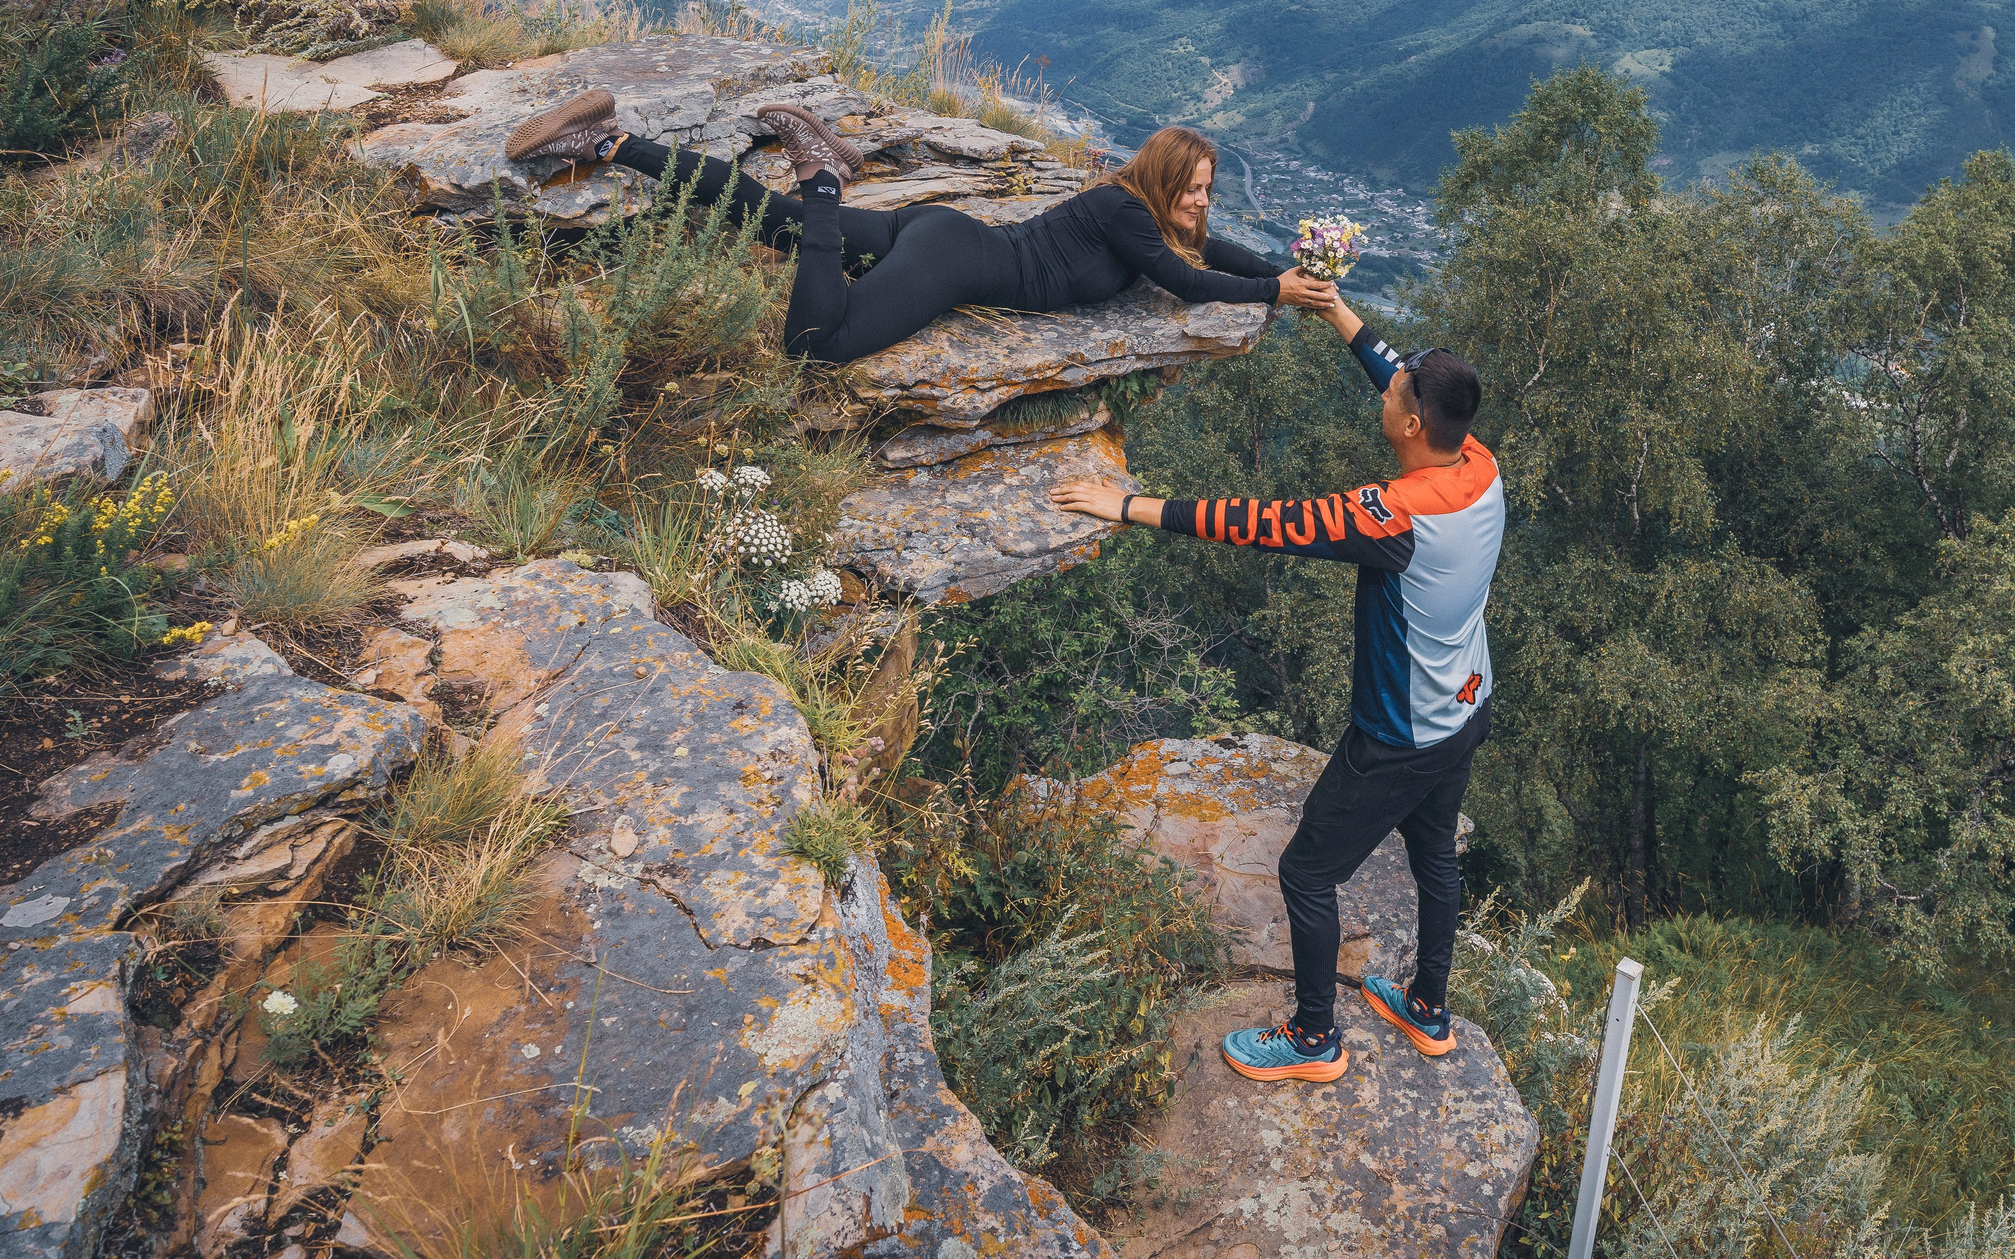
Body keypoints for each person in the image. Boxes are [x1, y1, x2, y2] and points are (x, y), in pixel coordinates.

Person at [1049, 302, 1499, 1085]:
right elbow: (1398, 373)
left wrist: (1129, 507)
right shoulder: (1478, 463)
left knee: (1305, 872)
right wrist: (1337, 314)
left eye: (1395, 395)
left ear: (1410, 427)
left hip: (1400, 733)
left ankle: (1314, 1036)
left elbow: (1265, 522)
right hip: (1466, 705)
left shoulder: (1394, 517)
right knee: (1434, 856)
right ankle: (1428, 1007)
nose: (1384, 393)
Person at [502, 94, 1336, 363]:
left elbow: (1207, 251)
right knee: (815, 343)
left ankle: (609, 141)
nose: (1201, 201)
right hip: (951, 262)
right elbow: (1187, 282)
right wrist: (1270, 290)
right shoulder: (1126, 213)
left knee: (770, 221)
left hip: (946, 235)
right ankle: (825, 172)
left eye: (1207, 190)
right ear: (1162, 181)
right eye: (1193, 188)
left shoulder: (1147, 212)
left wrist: (1295, 278)